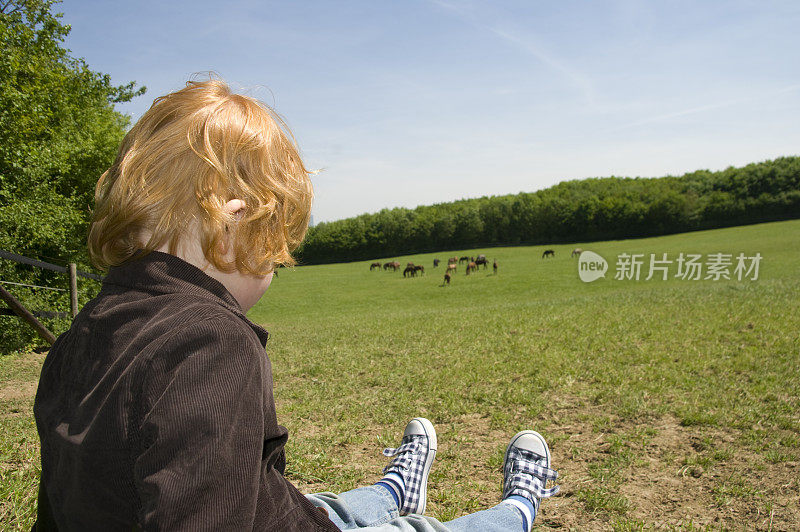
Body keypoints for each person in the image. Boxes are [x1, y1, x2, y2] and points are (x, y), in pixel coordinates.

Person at [33, 78, 558, 531]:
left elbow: (58, 503)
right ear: (234, 226)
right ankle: (517, 509)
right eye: (275, 250)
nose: (276, 268)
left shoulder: (85, 331)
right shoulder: (211, 345)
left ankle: (393, 489)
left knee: (313, 509)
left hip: (268, 514)